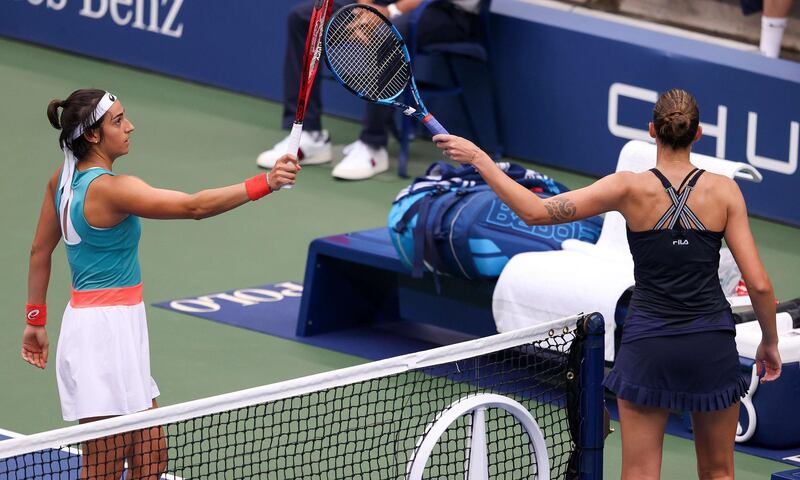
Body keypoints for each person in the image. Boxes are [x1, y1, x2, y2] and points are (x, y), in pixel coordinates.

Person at [434, 89, 782, 479]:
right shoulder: (725, 191)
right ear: (698, 134)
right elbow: (761, 285)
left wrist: (480, 158)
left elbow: (534, 212)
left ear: (653, 131)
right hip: (710, 344)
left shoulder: (626, 188)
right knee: (719, 472)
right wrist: (769, 342)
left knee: (638, 472)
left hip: (648, 345)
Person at [21, 88, 297, 478]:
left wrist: (36, 320)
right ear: (94, 136)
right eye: (117, 121)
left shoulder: (62, 179)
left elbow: (38, 251)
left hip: (116, 327)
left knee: (152, 458)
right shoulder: (112, 190)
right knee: (103, 467)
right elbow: (193, 207)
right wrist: (264, 183)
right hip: (101, 339)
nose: (130, 126)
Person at [257, 0, 480, 180]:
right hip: (382, 5)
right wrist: (365, 9)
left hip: (444, 10)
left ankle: (373, 145)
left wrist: (390, 11)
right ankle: (310, 135)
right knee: (304, 19)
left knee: (388, 32)